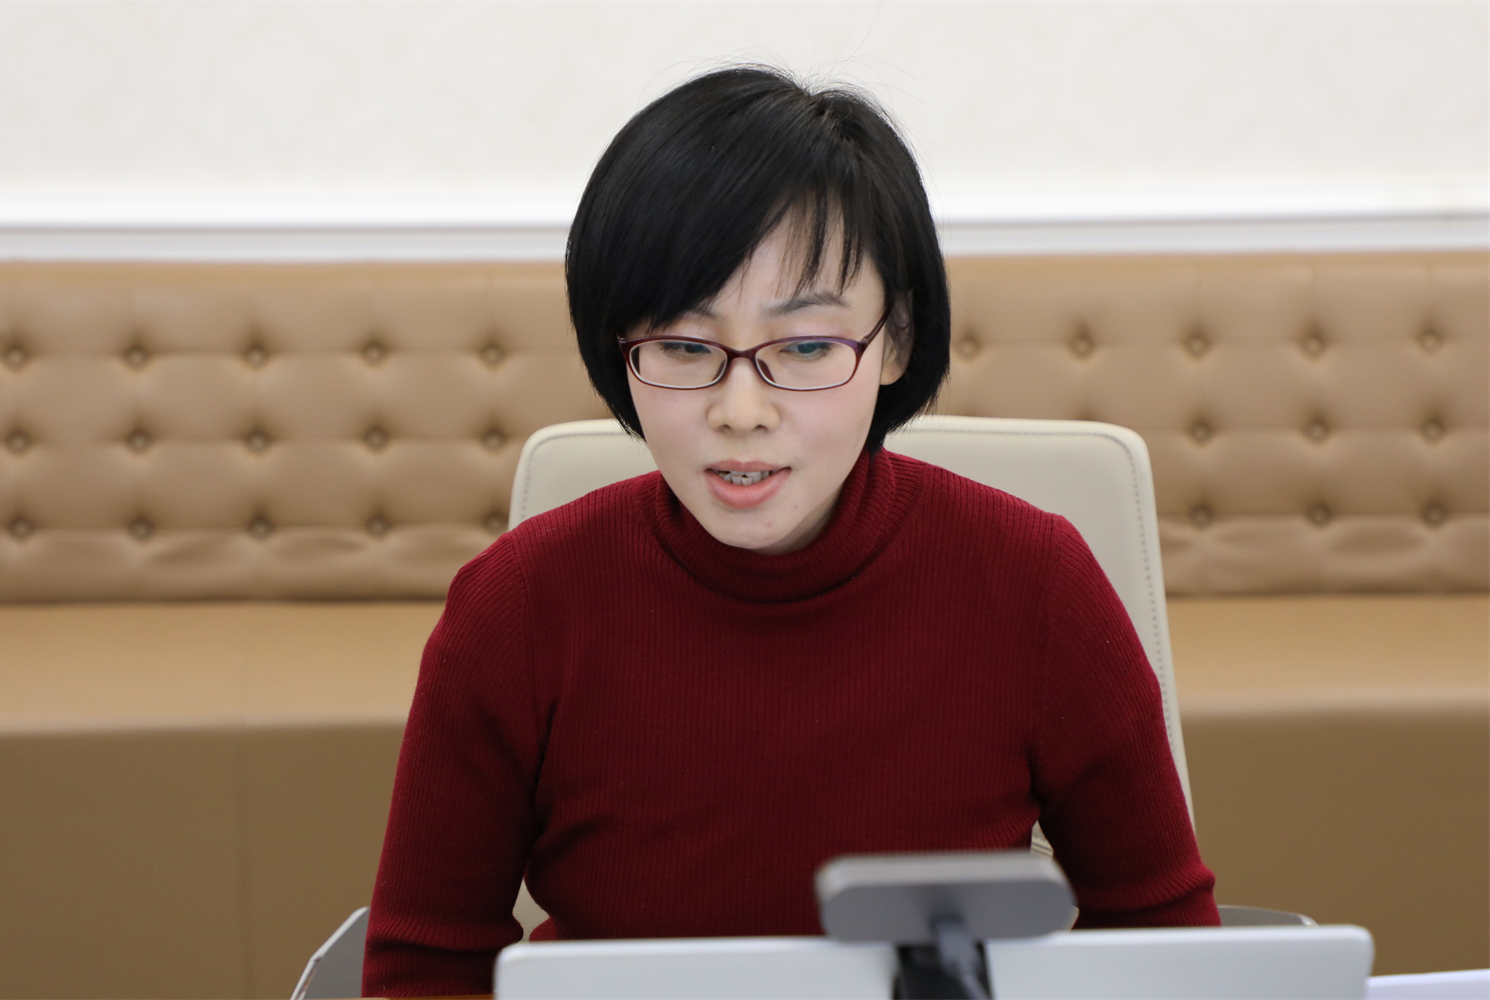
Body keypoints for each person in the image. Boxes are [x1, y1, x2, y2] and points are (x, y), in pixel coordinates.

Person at [363, 66, 1217, 997]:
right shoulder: (515, 607)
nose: (741, 411)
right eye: (683, 347)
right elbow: (424, 971)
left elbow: (1163, 943)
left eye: (806, 346)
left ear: (895, 342)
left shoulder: (1035, 582)